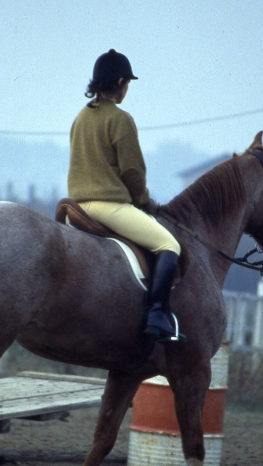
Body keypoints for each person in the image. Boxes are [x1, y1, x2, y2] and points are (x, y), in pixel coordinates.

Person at [68, 49, 185, 342]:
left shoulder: (80, 118)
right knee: (169, 245)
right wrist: (143, 201)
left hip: (77, 207)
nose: (126, 91)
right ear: (120, 82)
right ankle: (157, 315)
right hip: (109, 207)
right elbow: (132, 172)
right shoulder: (120, 119)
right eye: (127, 84)